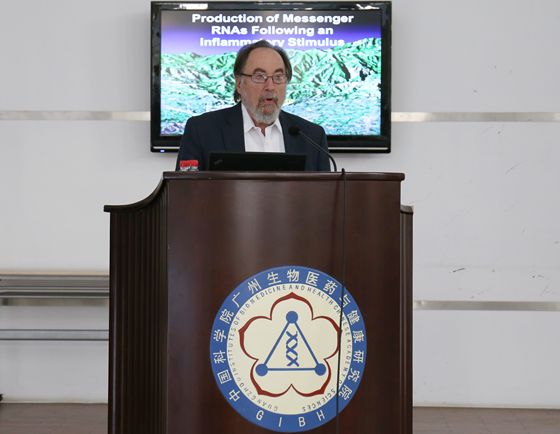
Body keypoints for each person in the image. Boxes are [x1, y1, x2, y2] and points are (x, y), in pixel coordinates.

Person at [176, 40, 331, 171]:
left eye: (278, 77)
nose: (270, 87)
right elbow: (185, 192)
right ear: (239, 84)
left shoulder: (312, 137)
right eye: (260, 76)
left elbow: (324, 195)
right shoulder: (202, 131)